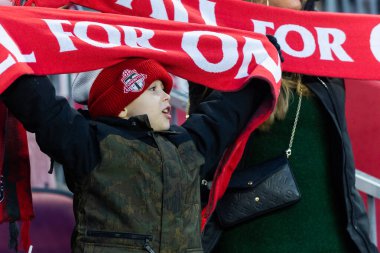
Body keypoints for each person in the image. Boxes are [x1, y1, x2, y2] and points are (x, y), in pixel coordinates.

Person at [0, 57, 271, 252]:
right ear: (120, 108)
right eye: (153, 90)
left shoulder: (186, 146)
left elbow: (224, 115)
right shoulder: (90, 143)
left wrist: (263, 64)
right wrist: (7, 54)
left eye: (165, 89)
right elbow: (44, 110)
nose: (166, 97)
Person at [192, 0, 379, 253]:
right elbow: (200, 146)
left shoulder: (328, 43)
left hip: (331, 239)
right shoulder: (222, 45)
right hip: (250, 238)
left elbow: (340, 162)